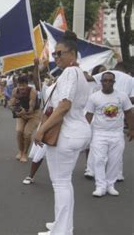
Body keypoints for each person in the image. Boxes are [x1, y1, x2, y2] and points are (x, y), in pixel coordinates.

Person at [34, 31, 91, 235]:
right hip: (77, 130)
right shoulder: (78, 74)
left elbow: (64, 105)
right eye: (55, 54)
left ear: (72, 54)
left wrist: (42, 129)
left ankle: (62, 231)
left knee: (60, 183)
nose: (56, 57)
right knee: (64, 182)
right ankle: (63, 224)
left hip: (66, 132)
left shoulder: (70, 72)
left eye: (60, 53)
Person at [85, 71, 134, 197]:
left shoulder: (122, 96)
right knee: (99, 159)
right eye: (105, 81)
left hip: (117, 133)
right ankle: (100, 186)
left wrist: (132, 129)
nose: (107, 83)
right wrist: (84, 131)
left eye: (110, 81)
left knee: (114, 160)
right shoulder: (94, 97)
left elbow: (129, 113)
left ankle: (110, 185)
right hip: (100, 133)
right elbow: (89, 115)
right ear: (101, 82)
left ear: (114, 82)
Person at [10, 74, 40, 163]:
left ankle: (25, 153)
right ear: (17, 85)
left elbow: (31, 108)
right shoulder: (15, 91)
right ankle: (21, 151)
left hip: (34, 114)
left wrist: (25, 112)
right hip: (22, 114)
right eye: (19, 85)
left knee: (27, 133)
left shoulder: (32, 91)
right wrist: (14, 110)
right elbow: (11, 105)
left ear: (27, 85)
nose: (22, 87)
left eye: (23, 85)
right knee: (19, 131)